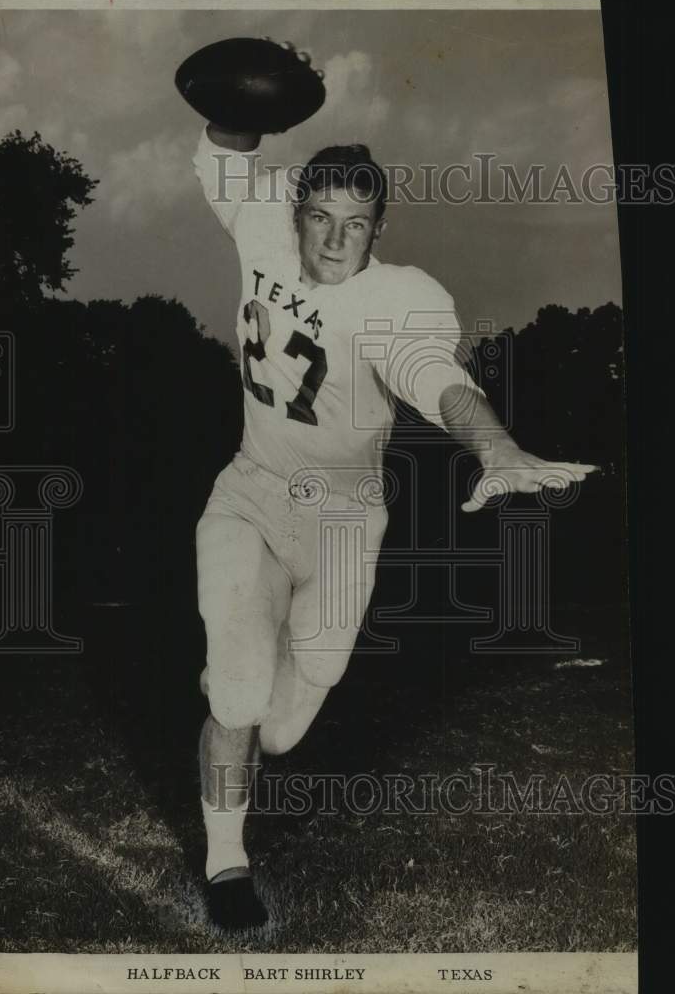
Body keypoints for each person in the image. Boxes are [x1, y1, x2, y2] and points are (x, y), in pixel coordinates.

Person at [191, 48, 597, 931]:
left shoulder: (399, 299)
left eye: (358, 223)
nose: (336, 240)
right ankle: (228, 861)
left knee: (286, 731)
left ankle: (242, 683)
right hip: (251, 493)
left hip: (344, 521)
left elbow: (430, 373)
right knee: (240, 692)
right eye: (323, 217)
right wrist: (253, 96)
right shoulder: (260, 223)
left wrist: (497, 446)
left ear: (381, 229)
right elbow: (223, 149)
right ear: (295, 212)